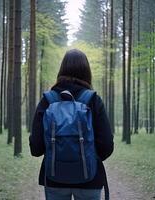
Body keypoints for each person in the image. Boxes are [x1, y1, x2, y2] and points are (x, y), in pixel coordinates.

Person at [29, 49, 114, 200]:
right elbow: (107, 146)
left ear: (62, 69)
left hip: (54, 179)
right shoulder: (93, 100)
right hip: (90, 179)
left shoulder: (48, 100)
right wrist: (87, 157)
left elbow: (36, 148)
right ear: (87, 72)